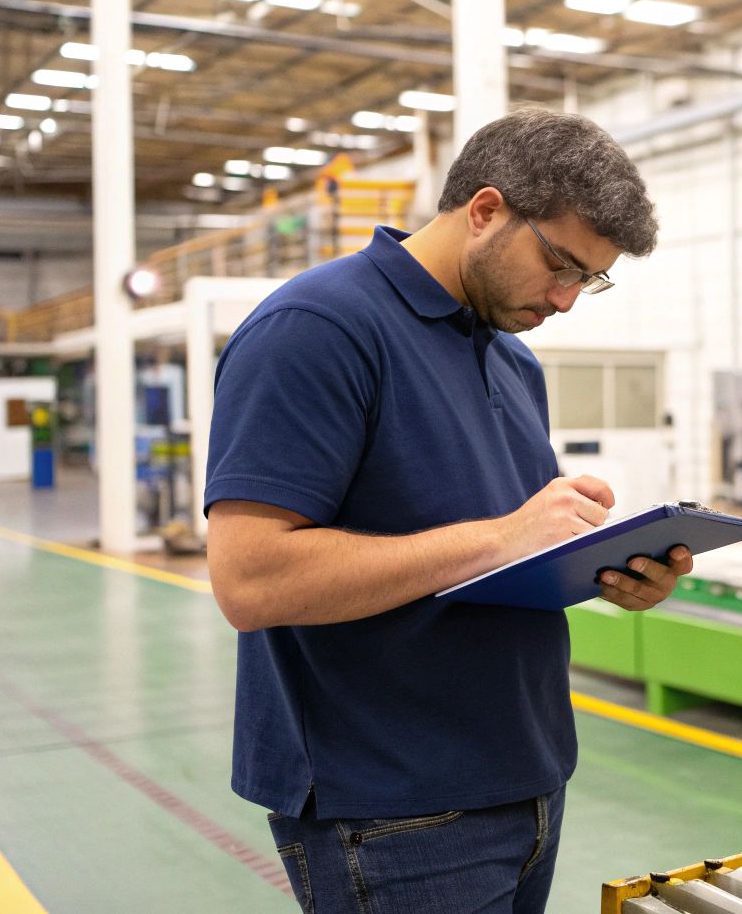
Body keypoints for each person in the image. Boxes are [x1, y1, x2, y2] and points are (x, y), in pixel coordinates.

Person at [204, 108, 686, 913]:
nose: (567, 299)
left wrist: (605, 568)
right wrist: (502, 537)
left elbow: (485, 559)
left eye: (589, 279)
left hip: (526, 777)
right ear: (486, 210)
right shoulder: (316, 330)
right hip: (394, 806)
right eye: (560, 264)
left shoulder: (510, 357)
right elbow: (250, 579)